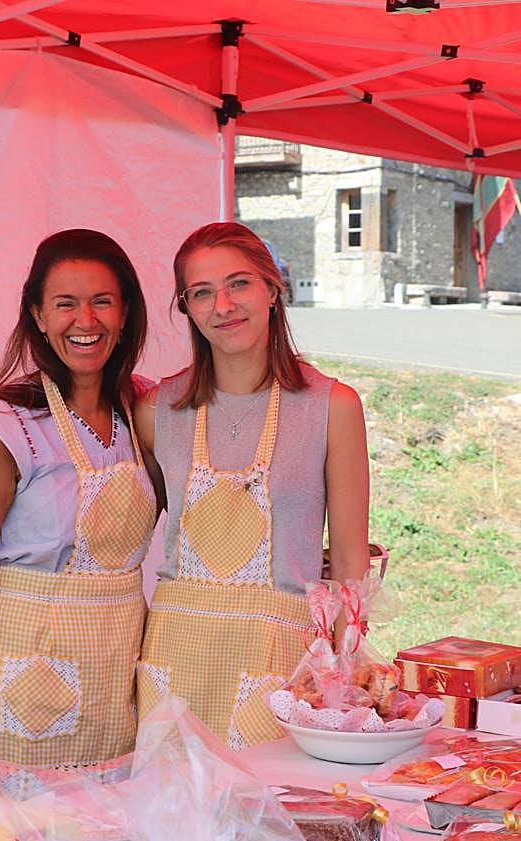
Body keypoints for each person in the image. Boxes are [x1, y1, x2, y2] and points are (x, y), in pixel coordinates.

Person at [134, 222, 369, 750]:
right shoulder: (156, 411)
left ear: (272, 288)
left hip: (276, 664)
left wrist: (342, 677)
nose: (223, 305)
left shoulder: (333, 407)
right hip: (174, 659)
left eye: (239, 283)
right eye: (201, 292)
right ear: (187, 308)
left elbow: (351, 563)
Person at [0, 229, 156, 765]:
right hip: (27, 681)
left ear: (124, 313)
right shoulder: (4, 424)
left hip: (118, 676)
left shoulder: (143, 410)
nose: (85, 322)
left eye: (101, 302)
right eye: (65, 304)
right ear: (38, 316)